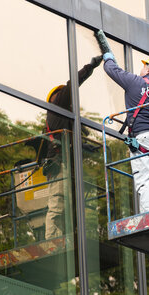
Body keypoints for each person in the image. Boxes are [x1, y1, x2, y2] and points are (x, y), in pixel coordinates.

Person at [96, 31, 149, 213]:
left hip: (143, 140)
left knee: (145, 181)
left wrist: (109, 57)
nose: (142, 68)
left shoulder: (134, 82)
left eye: (145, 66)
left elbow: (111, 70)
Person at [44, 55, 103, 239]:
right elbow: (72, 84)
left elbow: (68, 144)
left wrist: (85, 147)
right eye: (62, 95)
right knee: (58, 204)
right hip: (58, 165)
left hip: (64, 166)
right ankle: (53, 238)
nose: (68, 99)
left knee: (67, 207)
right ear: (56, 98)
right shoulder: (57, 106)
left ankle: (62, 238)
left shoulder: (63, 121)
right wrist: (90, 67)